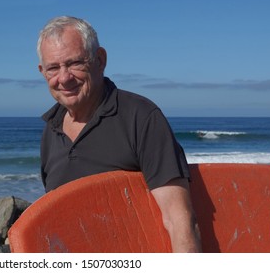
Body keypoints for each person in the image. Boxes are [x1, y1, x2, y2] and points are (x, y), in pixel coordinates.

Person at [37, 16, 201, 253]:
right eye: (53, 67)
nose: (64, 78)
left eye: (74, 63)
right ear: (43, 72)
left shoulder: (141, 117)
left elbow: (180, 221)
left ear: (100, 60)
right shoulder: (50, 130)